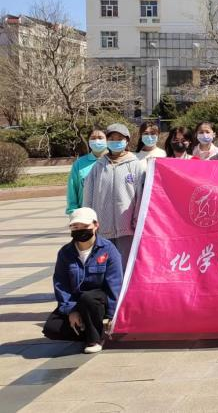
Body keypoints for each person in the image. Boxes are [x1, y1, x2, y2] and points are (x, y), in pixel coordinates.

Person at [42, 208, 123, 354]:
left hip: (98, 301)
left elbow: (115, 284)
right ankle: (93, 329)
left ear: (96, 225)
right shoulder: (65, 252)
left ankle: (94, 339)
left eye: (85, 226)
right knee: (51, 328)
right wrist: (71, 310)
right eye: (75, 227)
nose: (80, 230)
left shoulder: (109, 250)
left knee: (88, 298)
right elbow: (61, 284)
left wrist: (113, 314)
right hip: (77, 302)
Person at [82, 124, 146, 261]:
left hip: (128, 229)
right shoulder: (98, 166)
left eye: (119, 139)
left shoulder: (135, 165)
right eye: (112, 139)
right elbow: (88, 195)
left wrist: (137, 221)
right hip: (102, 228)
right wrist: (88, 220)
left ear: (127, 141)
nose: (115, 142)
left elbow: (141, 196)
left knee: (126, 264)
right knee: (104, 265)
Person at [66, 128, 107, 214]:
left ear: (107, 140)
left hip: (109, 214)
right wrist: (73, 211)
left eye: (100, 138)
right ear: (88, 141)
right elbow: (72, 189)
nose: (97, 141)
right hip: (85, 215)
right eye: (93, 138)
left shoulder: (112, 161)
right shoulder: (79, 163)